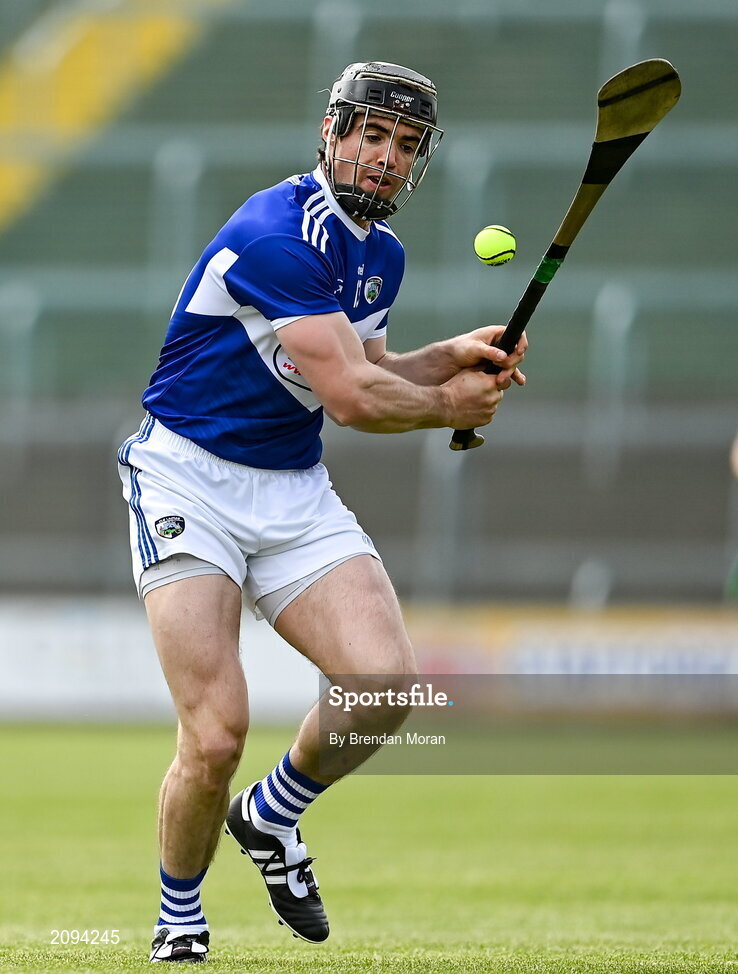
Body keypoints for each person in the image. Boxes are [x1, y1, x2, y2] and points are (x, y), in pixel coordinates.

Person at [118, 61, 527, 964]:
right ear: (333, 134)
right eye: (373, 135)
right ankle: (179, 920)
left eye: (406, 146)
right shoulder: (276, 234)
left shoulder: (381, 255)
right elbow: (350, 399)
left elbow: (366, 368)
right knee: (217, 730)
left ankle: (270, 818)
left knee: (383, 685)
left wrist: (448, 358)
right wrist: (452, 409)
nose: (385, 159)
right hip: (189, 479)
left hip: (290, 487)